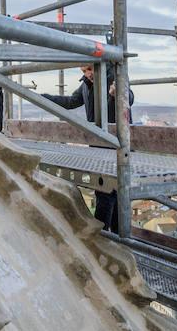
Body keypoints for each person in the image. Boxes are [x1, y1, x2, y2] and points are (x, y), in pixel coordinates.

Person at [43, 63, 133, 232]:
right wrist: (42, 98)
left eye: (89, 69)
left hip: (116, 147)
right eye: (83, 71)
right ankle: (115, 242)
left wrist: (117, 94)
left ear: (98, 65)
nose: (88, 74)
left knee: (109, 198)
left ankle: (105, 240)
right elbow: (71, 101)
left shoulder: (115, 76)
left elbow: (130, 97)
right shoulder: (86, 84)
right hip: (99, 148)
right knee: (110, 196)